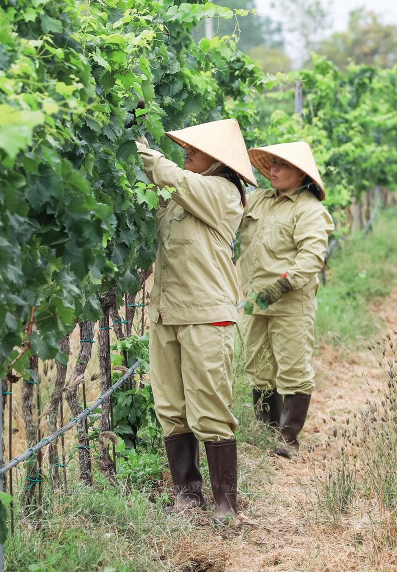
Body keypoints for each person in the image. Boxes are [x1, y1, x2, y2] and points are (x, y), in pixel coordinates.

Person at [135, 118, 257, 524]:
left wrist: (138, 150)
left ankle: (226, 504)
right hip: (167, 313)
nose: (186, 153)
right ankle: (187, 495)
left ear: (218, 161)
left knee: (209, 408)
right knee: (171, 407)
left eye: (194, 149)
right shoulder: (181, 195)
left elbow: (173, 178)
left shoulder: (222, 193)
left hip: (206, 315)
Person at [239, 142, 334, 459]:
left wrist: (279, 288)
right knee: (257, 366)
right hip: (256, 301)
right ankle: (266, 432)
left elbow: (310, 259)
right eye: (273, 165)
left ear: (301, 175)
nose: (274, 170)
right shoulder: (259, 200)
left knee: (292, 367)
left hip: (289, 302)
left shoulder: (309, 210)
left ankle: (289, 438)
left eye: (283, 166)